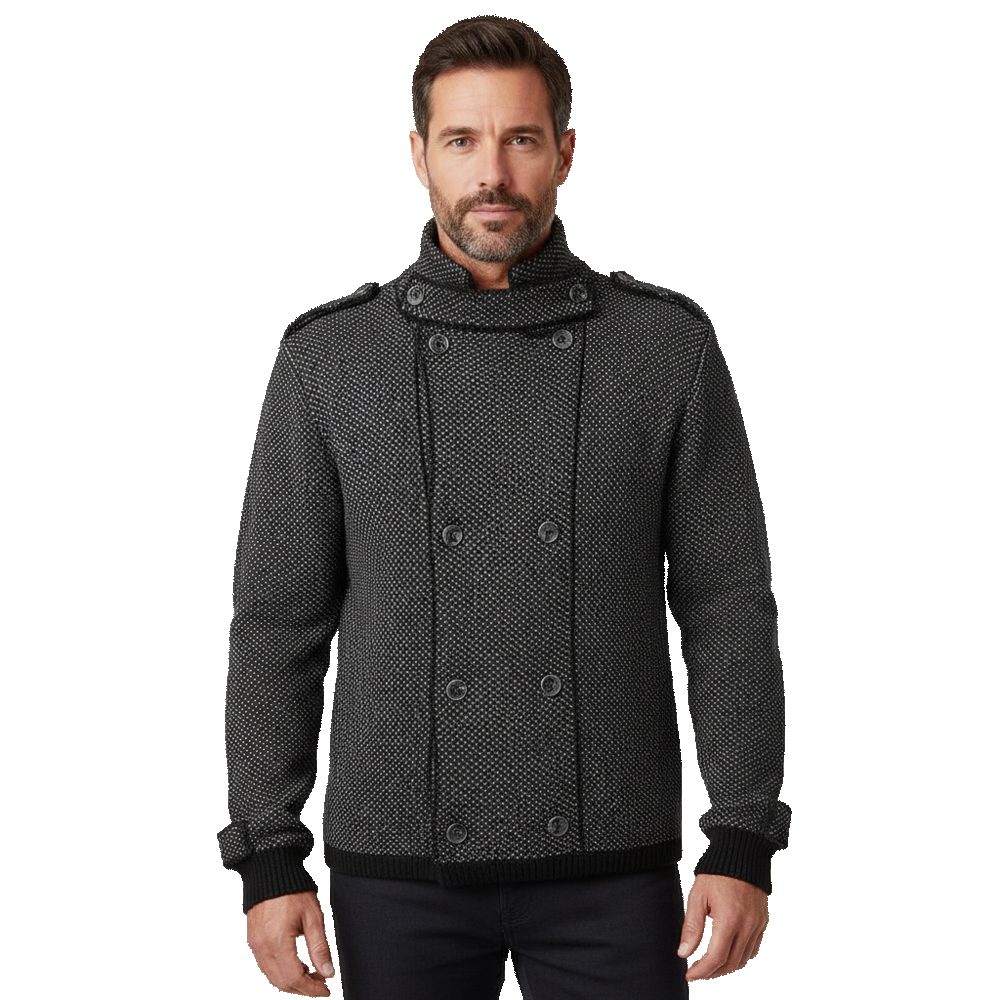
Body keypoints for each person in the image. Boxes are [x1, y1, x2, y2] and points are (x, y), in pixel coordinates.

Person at [216, 15, 792, 999]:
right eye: (462, 140)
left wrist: (741, 834)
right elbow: (278, 623)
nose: (492, 173)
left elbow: (726, 603)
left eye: (520, 139)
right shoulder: (330, 358)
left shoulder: (664, 348)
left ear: (564, 152)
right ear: (419, 156)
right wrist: (268, 853)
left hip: (614, 861)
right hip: (397, 865)